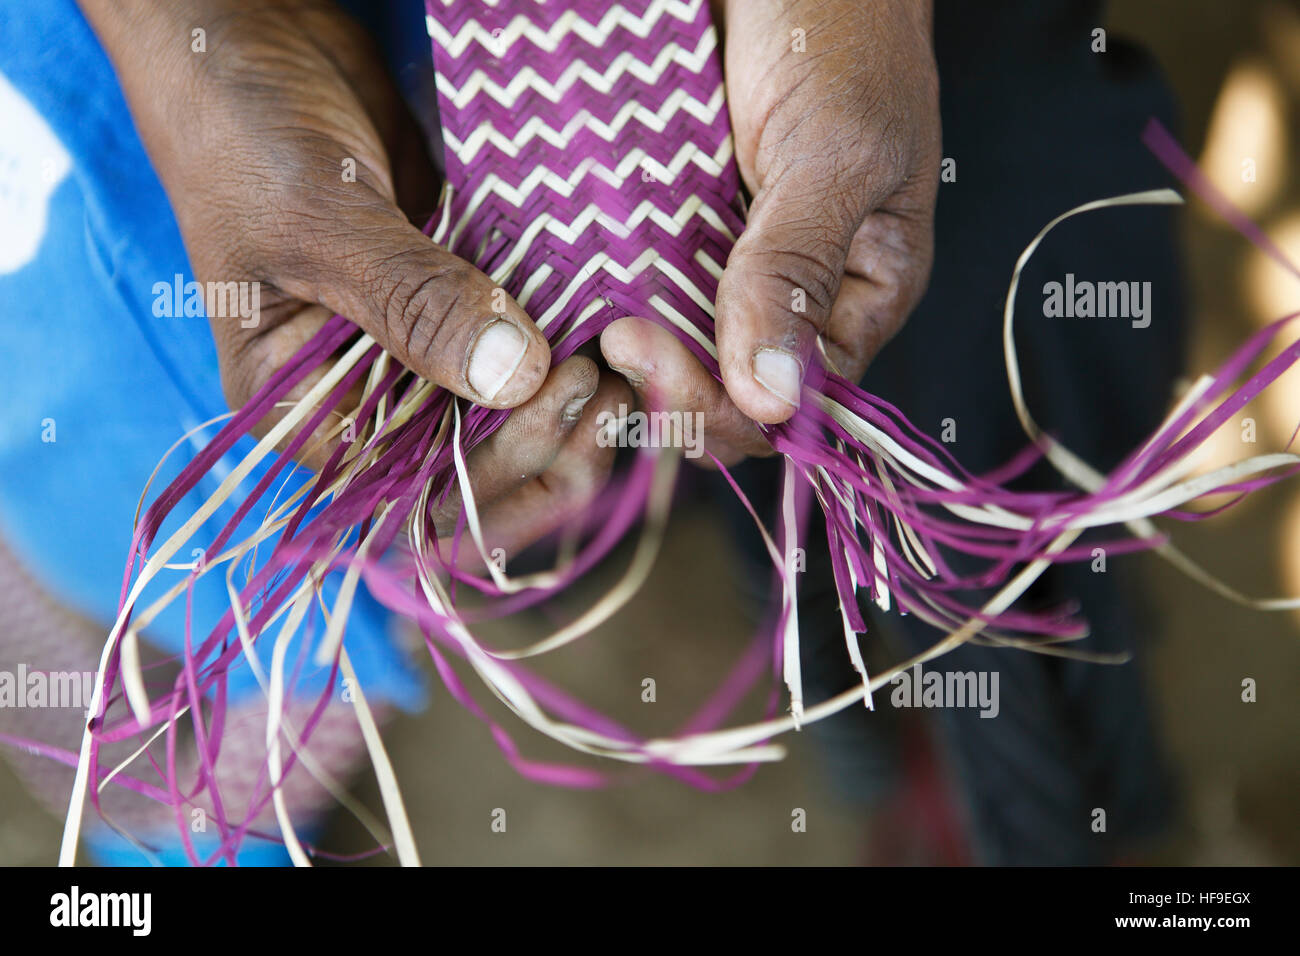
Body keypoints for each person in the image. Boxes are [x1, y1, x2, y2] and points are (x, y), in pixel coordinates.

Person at [0, 0, 1176, 864]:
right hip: (170, 247)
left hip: (862, 91)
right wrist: (197, 30)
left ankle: (1001, 777)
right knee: (394, 524)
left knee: (936, 345)